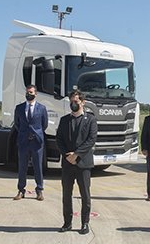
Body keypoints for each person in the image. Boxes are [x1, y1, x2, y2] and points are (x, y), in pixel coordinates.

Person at [55, 90, 98, 234]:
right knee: (66, 195)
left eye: (76, 101)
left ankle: (85, 223)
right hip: (67, 163)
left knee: (85, 195)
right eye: (71, 101)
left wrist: (77, 154)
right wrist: (67, 155)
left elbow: (91, 139)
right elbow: (59, 139)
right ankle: (67, 223)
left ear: (83, 102)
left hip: (83, 163)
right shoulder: (64, 120)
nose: (73, 104)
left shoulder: (90, 119)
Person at [12, 84, 48, 201]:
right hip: (23, 141)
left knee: (38, 167)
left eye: (31, 92)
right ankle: (21, 190)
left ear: (35, 94)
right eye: (27, 92)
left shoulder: (41, 108)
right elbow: (17, 124)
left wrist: (35, 133)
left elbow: (44, 124)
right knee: (22, 167)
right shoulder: (19, 108)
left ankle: (39, 190)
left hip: (37, 142)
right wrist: (25, 134)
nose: (29, 94)